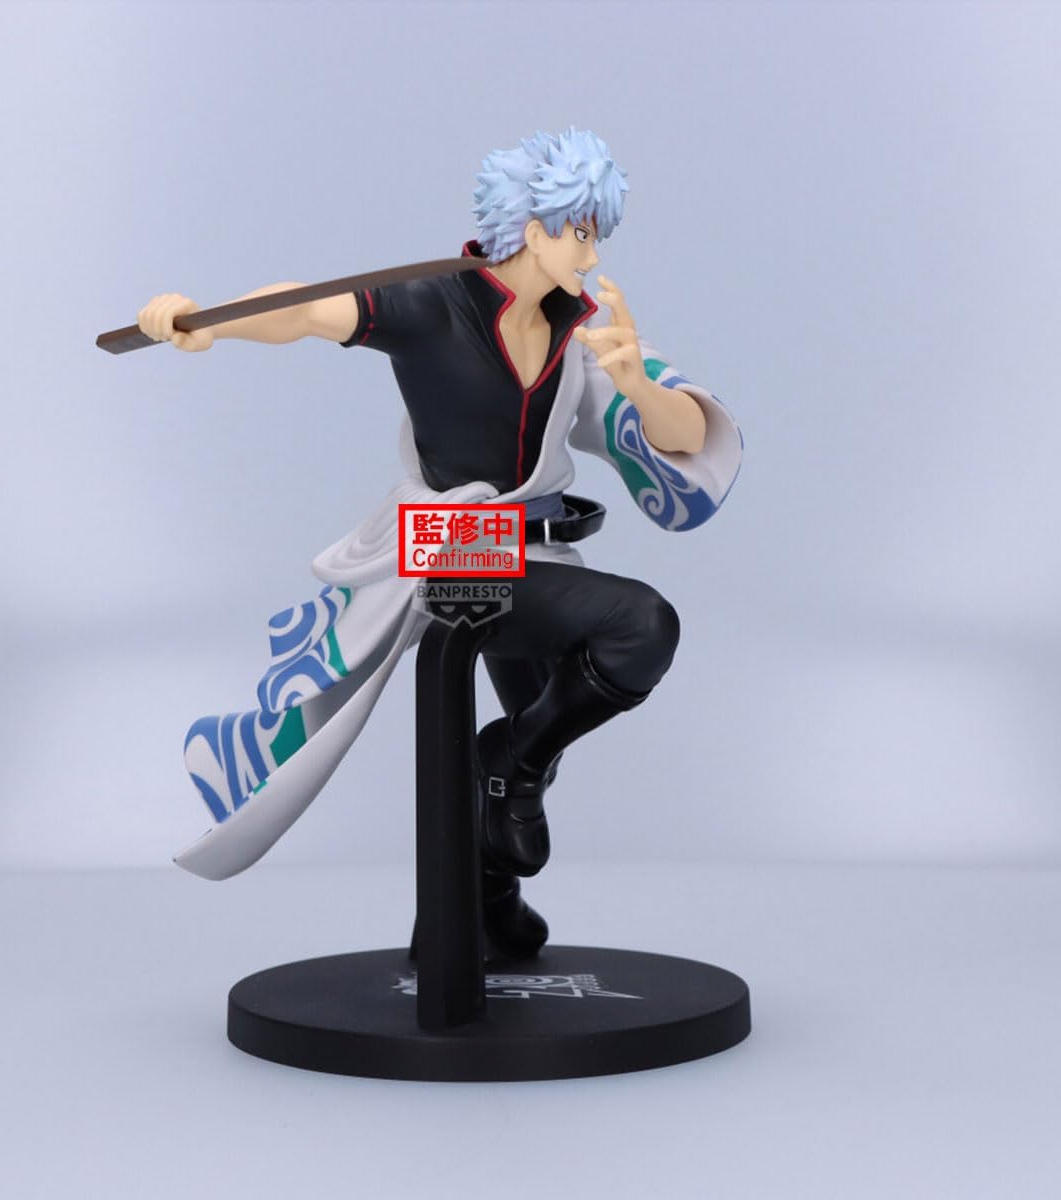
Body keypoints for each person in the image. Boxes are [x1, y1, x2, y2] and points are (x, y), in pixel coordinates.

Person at [137, 129, 743, 956]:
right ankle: (508, 766)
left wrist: (636, 383)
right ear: (535, 228)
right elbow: (309, 307)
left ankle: (478, 898)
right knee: (640, 628)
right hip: (454, 551)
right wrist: (211, 322)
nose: (593, 252)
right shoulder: (433, 303)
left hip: (538, 553)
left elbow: (682, 435)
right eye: (580, 231)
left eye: (596, 232)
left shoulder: (576, 328)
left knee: (545, 723)